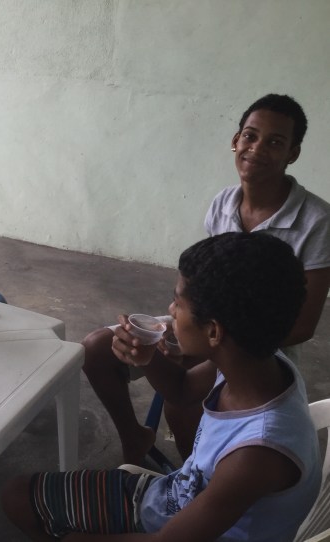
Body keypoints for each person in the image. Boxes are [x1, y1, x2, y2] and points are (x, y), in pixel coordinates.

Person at [2, 232, 321, 542]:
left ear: (214, 332)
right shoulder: (257, 361)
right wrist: (147, 358)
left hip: (172, 523)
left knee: (17, 498)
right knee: (20, 495)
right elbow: (181, 390)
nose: (170, 311)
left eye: (177, 303)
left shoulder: (256, 454)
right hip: (176, 498)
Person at [82, 94, 330, 464]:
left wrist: (208, 345)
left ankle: (198, 476)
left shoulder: (316, 220)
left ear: (292, 153)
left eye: (275, 142)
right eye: (250, 136)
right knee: (98, 348)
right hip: (206, 328)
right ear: (235, 141)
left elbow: (303, 327)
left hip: (258, 349)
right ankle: (134, 437)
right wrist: (183, 334)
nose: (257, 149)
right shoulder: (223, 203)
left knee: (183, 406)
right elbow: (204, 284)